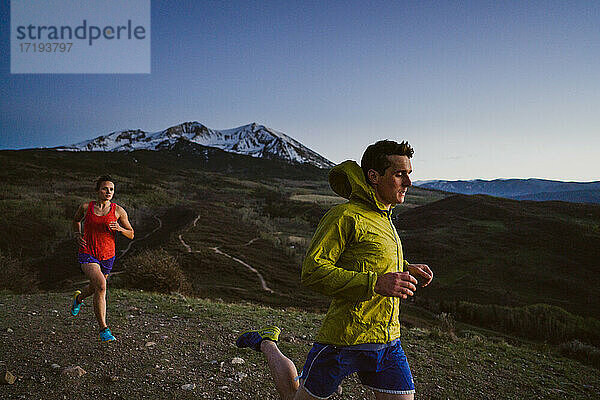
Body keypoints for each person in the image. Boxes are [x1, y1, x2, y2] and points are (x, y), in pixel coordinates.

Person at [236, 140, 433, 400]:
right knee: (294, 396)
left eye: (409, 174)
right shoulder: (344, 216)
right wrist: (375, 283)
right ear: (373, 177)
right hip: (344, 339)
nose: (408, 183)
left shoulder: (384, 216)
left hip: (388, 340)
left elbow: (368, 256)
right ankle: (266, 343)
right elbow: (313, 271)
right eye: (399, 174)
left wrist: (405, 267)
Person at [70, 175, 134, 342]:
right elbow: (76, 220)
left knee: (95, 287)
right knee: (102, 285)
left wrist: (120, 228)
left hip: (108, 255)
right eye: (105, 188)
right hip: (87, 252)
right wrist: (77, 234)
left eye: (111, 189)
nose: (108, 192)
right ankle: (103, 329)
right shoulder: (86, 207)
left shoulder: (119, 211)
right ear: (98, 190)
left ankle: (78, 298)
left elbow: (131, 234)